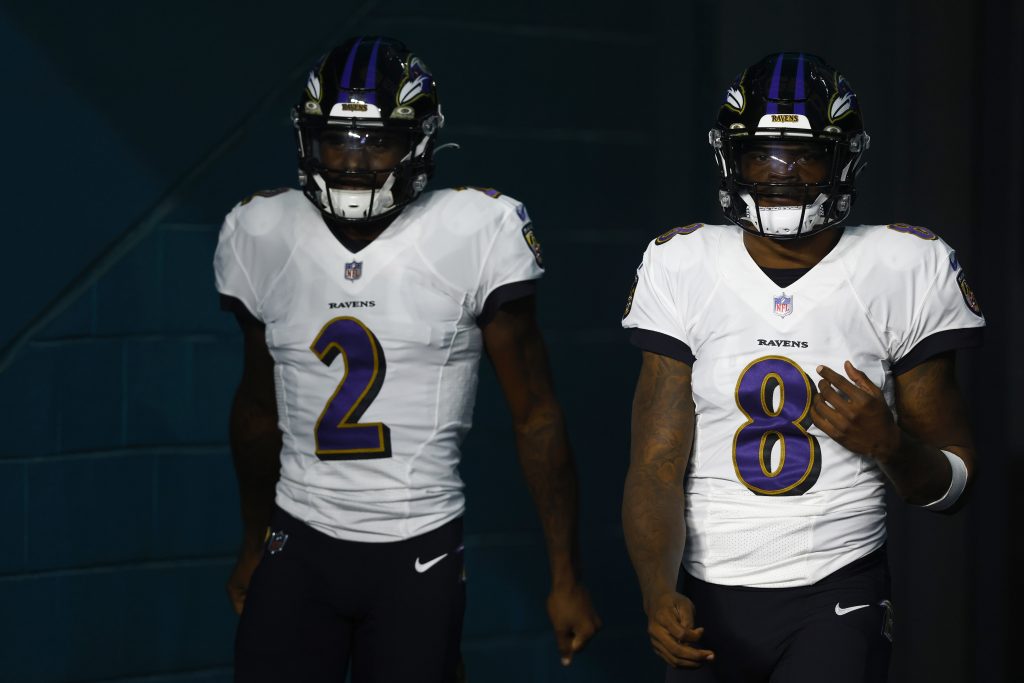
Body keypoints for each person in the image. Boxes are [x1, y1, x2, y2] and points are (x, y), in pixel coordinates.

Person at [214, 36, 600, 682]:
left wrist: (566, 573)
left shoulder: (474, 230)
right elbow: (258, 410)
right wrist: (254, 542)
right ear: (309, 139)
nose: (354, 160)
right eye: (337, 138)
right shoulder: (263, 231)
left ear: (419, 143)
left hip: (415, 546)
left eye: (377, 141)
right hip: (298, 538)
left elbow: (536, 415)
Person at [621, 52, 984, 682]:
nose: (780, 174)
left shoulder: (907, 264)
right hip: (706, 590)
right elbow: (655, 465)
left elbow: (954, 487)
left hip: (837, 587)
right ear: (731, 159)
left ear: (842, 160)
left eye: (805, 154)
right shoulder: (680, 261)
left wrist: (890, 446)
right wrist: (658, 591)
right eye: (760, 154)